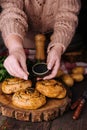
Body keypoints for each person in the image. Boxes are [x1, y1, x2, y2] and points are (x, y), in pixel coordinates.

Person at [0, 0, 81, 80]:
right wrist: (15, 48)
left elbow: (67, 16)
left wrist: (57, 47)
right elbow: (11, 13)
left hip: (61, 39)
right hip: (23, 38)